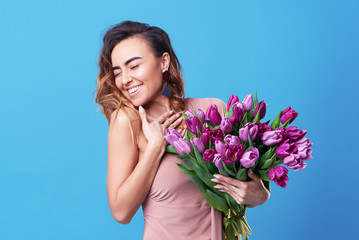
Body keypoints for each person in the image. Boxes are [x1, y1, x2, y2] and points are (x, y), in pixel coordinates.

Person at [95, 20, 270, 240]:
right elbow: (121, 212)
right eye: (117, 72)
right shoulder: (128, 122)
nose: (125, 79)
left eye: (134, 66)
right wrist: (155, 147)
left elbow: (248, 187)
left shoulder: (213, 110)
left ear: (164, 62)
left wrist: (259, 196)